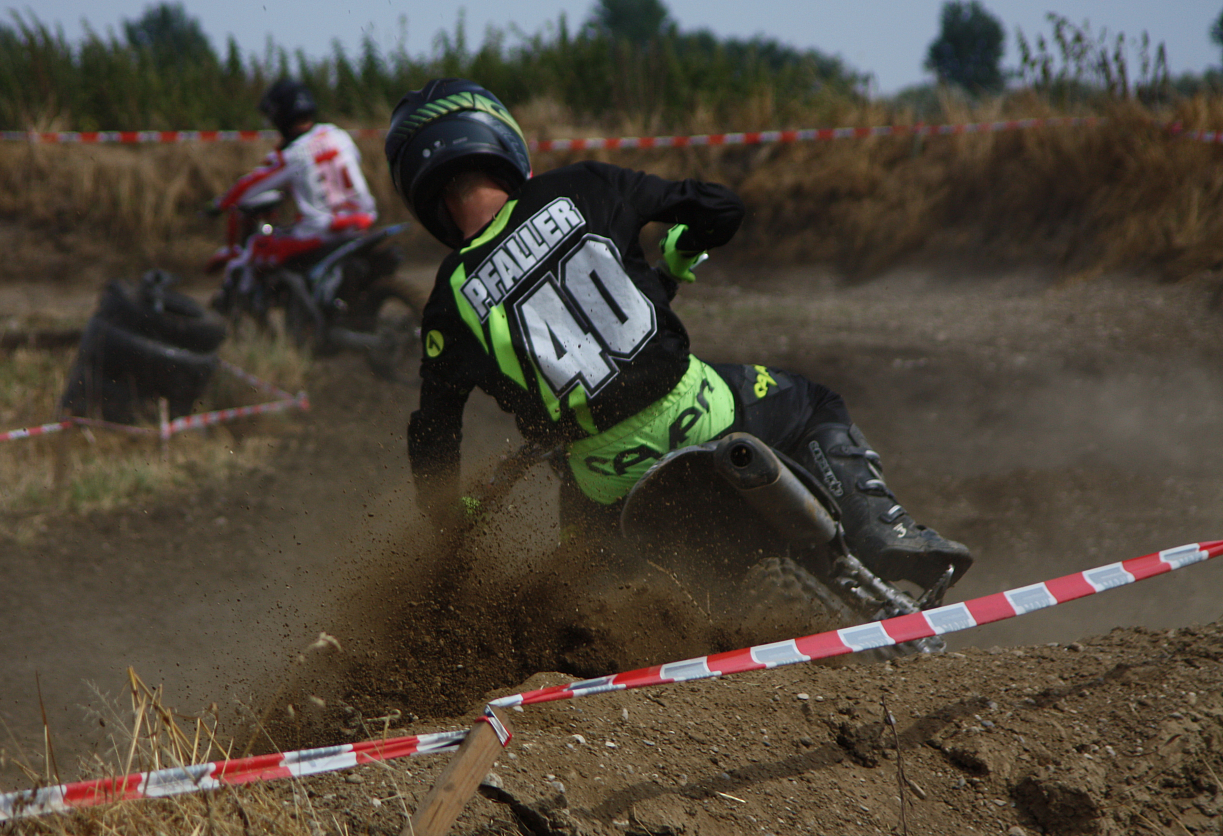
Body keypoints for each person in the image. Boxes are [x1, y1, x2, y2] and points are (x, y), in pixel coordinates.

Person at [384, 79, 972, 589]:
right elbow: (721, 208)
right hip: (702, 412)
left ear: (421, 190)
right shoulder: (583, 184)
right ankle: (885, 534)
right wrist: (686, 246)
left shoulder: (447, 299)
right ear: (499, 139)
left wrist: (450, 514)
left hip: (604, 478)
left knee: (574, 585)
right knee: (814, 402)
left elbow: (434, 431)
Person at [209, 79, 377, 299]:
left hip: (321, 231)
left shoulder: (292, 154)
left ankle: (243, 306)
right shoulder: (339, 135)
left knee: (256, 246)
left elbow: (250, 186)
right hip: (362, 221)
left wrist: (221, 203)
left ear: (280, 116)